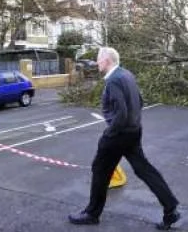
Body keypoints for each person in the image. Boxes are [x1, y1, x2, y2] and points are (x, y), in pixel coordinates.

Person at [68, 47, 181, 230]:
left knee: (100, 169)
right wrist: (133, 125)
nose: (97, 62)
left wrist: (109, 133)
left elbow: (121, 113)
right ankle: (171, 209)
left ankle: (91, 214)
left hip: (118, 135)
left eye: (98, 59)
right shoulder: (127, 74)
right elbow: (140, 101)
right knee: (143, 169)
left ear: (107, 60)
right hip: (133, 132)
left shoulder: (114, 80)